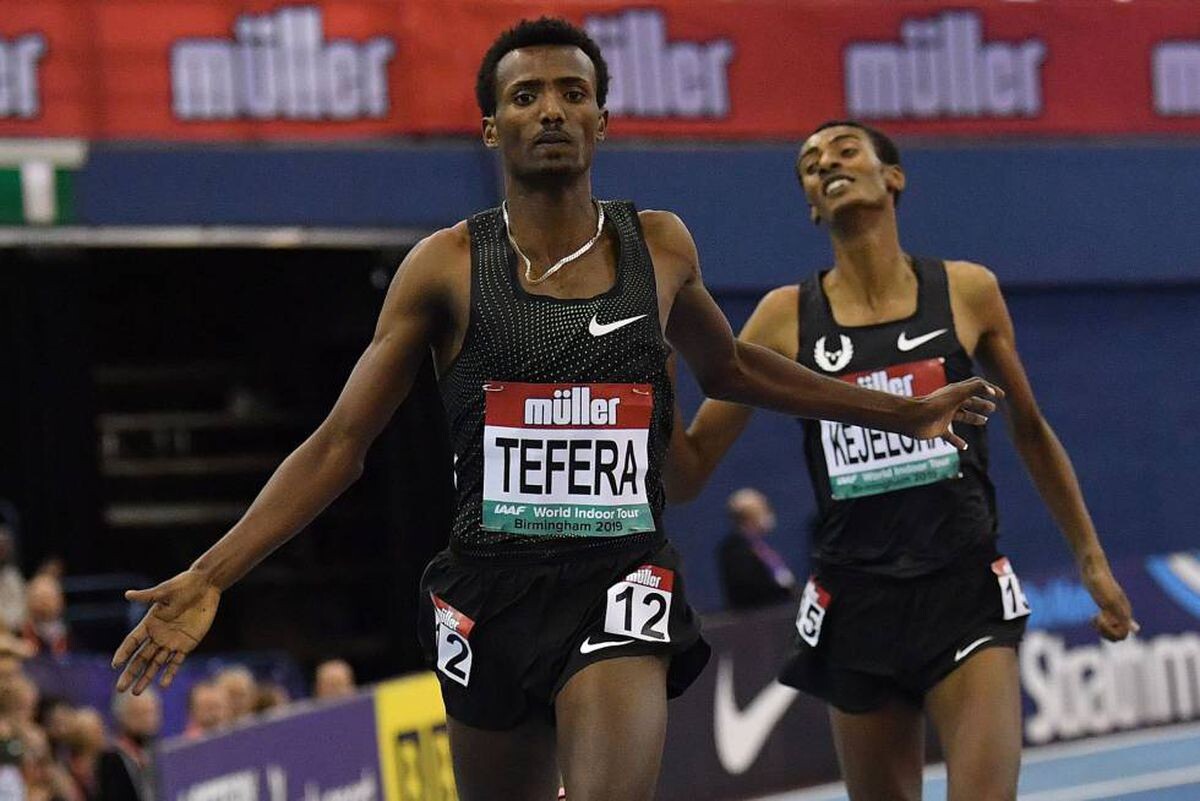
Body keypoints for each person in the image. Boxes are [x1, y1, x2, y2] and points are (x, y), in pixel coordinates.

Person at [109, 22, 999, 800]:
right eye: (526, 95)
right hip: (487, 592)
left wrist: (899, 412)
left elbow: (730, 367)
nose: (551, 111)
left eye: (573, 93)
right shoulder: (446, 267)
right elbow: (340, 444)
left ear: (601, 120)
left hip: (620, 576)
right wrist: (214, 572)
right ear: (491, 126)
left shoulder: (659, 246)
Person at [667, 120, 1137, 800]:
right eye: (810, 164)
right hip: (853, 604)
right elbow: (689, 471)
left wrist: (1091, 561)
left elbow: (1031, 431)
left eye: (845, 150)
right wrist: (648, 381)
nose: (827, 164)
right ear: (811, 204)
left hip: (964, 589)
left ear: (893, 177)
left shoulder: (967, 291)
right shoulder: (783, 317)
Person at [718, 488, 797, 610]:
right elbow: (751, 589)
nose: (768, 515)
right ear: (749, 517)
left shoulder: (758, 546)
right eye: (763, 510)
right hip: (757, 615)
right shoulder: (735, 550)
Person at [99, 689, 160, 801]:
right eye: (141, 714)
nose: (149, 720)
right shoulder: (111, 759)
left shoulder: (156, 751)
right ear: (122, 716)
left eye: (153, 712)